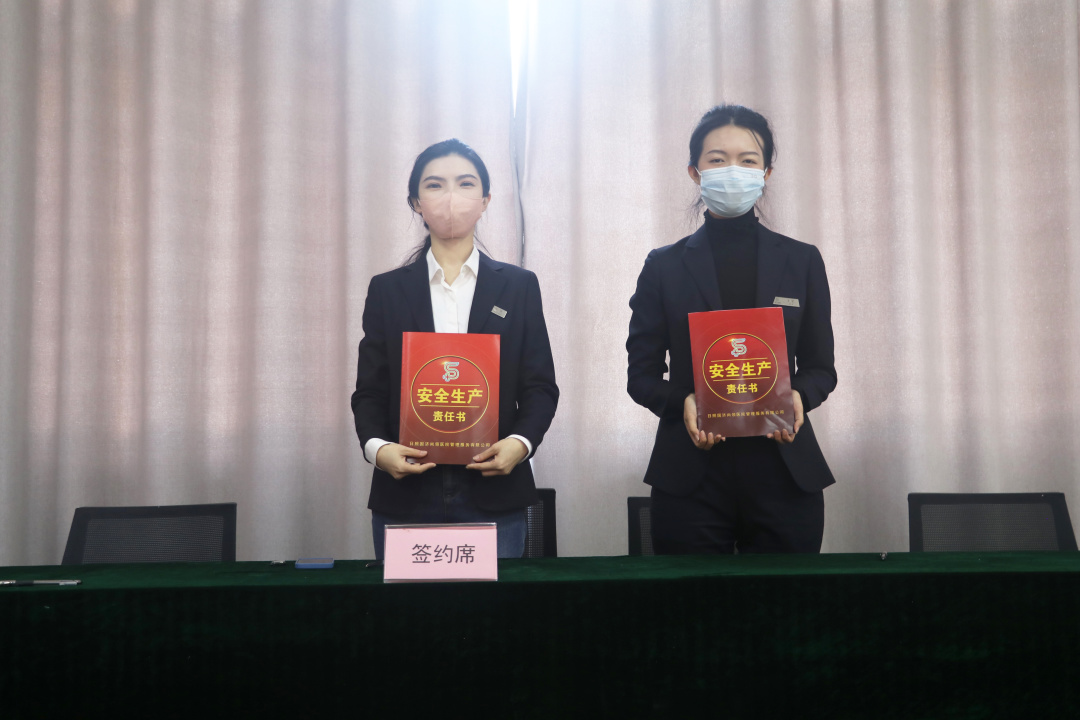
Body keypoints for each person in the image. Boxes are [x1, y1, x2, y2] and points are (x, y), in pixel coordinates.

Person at [626, 105, 836, 554]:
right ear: (695, 172)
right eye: (718, 160)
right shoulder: (663, 267)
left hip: (784, 470)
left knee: (790, 598)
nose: (733, 171)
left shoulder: (802, 261)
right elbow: (640, 376)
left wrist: (799, 396)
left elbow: (821, 369)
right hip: (690, 475)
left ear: (766, 173)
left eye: (748, 160)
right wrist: (682, 401)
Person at [352, 139, 559, 560]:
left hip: (494, 490)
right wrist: (378, 449)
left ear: (485, 200)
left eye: (465, 184)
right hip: (407, 490)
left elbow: (540, 386)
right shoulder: (387, 290)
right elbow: (370, 391)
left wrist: (520, 443)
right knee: (410, 604)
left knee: (491, 604)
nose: (450, 196)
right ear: (416, 202)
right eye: (435, 185)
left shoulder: (518, 286)